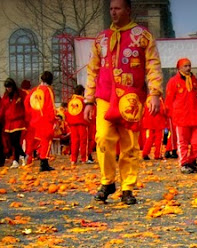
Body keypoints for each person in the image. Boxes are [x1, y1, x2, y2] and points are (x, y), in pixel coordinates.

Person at [84, 0, 162, 205]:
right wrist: (88, 100)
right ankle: (107, 181)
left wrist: (154, 93)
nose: (113, 12)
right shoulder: (101, 39)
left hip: (131, 97)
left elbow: (153, 65)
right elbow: (92, 70)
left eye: (117, 8)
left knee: (129, 144)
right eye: (111, 9)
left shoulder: (143, 36)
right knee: (102, 138)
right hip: (104, 96)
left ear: (128, 10)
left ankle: (128, 187)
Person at [165, 58, 197, 173]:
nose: (188, 68)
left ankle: (192, 161)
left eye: (189, 65)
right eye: (185, 66)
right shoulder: (173, 81)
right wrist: (171, 115)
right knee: (182, 142)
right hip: (180, 117)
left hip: (194, 116)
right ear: (179, 68)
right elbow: (169, 100)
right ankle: (184, 163)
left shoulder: (194, 80)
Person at [27, 71, 57, 172]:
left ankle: (29, 159)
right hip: (45, 119)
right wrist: (54, 120)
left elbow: (26, 102)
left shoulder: (34, 90)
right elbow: (51, 106)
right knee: (46, 141)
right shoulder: (48, 90)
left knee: (34, 140)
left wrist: (31, 113)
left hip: (34, 118)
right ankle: (43, 162)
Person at [0, 78, 27, 167]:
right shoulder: (6, 96)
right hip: (9, 122)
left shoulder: (20, 94)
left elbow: (26, 104)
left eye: (9, 87)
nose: (8, 89)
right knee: (12, 142)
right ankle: (22, 156)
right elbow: (3, 107)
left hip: (19, 120)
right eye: (7, 87)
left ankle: (17, 159)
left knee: (16, 140)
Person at [66, 85, 92, 165]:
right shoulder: (83, 101)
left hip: (72, 124)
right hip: (82, 123)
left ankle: (73, 159)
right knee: (83, 142)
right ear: (82, 92)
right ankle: (84, 159)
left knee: (74, 142)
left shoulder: (70, 101)